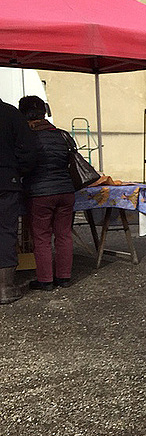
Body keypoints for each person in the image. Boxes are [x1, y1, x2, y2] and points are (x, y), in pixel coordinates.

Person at [18, 96, 76, 291]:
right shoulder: (62, 135)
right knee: (64, 234)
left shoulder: (27, 137)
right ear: (44, 112)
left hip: (39, 192)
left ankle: (45, 280)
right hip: (66, 190)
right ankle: (64, 277)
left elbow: (24, 165)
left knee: (41, 236)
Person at [1, 97, 40, 304]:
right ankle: (4, 287)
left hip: (8, 178)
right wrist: (18, 170)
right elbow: (29, 151)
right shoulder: (11, 114)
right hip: (7, 180)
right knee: (6, 232)